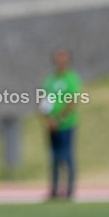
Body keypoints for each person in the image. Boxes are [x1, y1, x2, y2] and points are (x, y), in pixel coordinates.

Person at [40, 49, 82, 199]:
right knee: (53, 157)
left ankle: (69, 190)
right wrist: (47, 119)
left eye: (63, 60)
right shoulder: (50, 79)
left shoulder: (70, 78)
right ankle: (54, 190)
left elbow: (72, 101)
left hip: (66, 124)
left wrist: (58, 118)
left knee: (66, 155)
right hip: (51, 125)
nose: (60, 63)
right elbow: (43, 100)